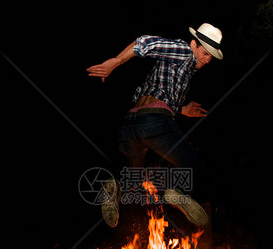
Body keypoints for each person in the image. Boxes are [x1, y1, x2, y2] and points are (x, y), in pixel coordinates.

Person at [87, 23, 224, 228]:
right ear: (193, 44)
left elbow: (160, 95)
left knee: (133, 182)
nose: (206, 60)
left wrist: (182, 109)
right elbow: (146, 42)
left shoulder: (180, 70)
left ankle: (114, 187)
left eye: (210, 58)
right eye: (204, 53)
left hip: (130, 126)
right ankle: (175, 190)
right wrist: (115, 62)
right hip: (155, 123)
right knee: (195, 167)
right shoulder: (184, 51)